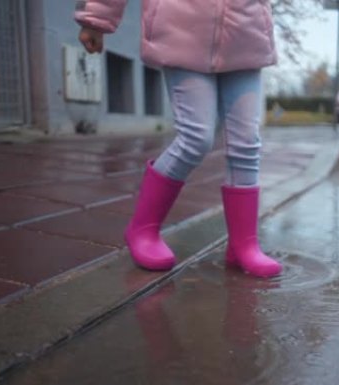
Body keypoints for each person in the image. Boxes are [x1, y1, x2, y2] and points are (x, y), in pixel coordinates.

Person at [75, 0, 282, 278]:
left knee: (246, 143)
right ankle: (143, 230)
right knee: (196, 138)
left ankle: (243, 245)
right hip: (182, 28)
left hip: (246, 32)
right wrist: (95, 18)